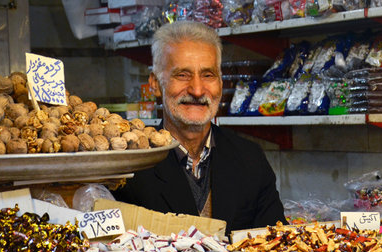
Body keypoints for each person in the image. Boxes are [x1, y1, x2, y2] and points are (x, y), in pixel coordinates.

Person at [113, 21, 286, 234]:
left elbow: (276, 243)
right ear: (156, 84)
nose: (196, 90)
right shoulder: (127, 169)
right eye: (182, 75)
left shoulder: (250, 159)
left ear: (221, 85)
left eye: (208, 75)